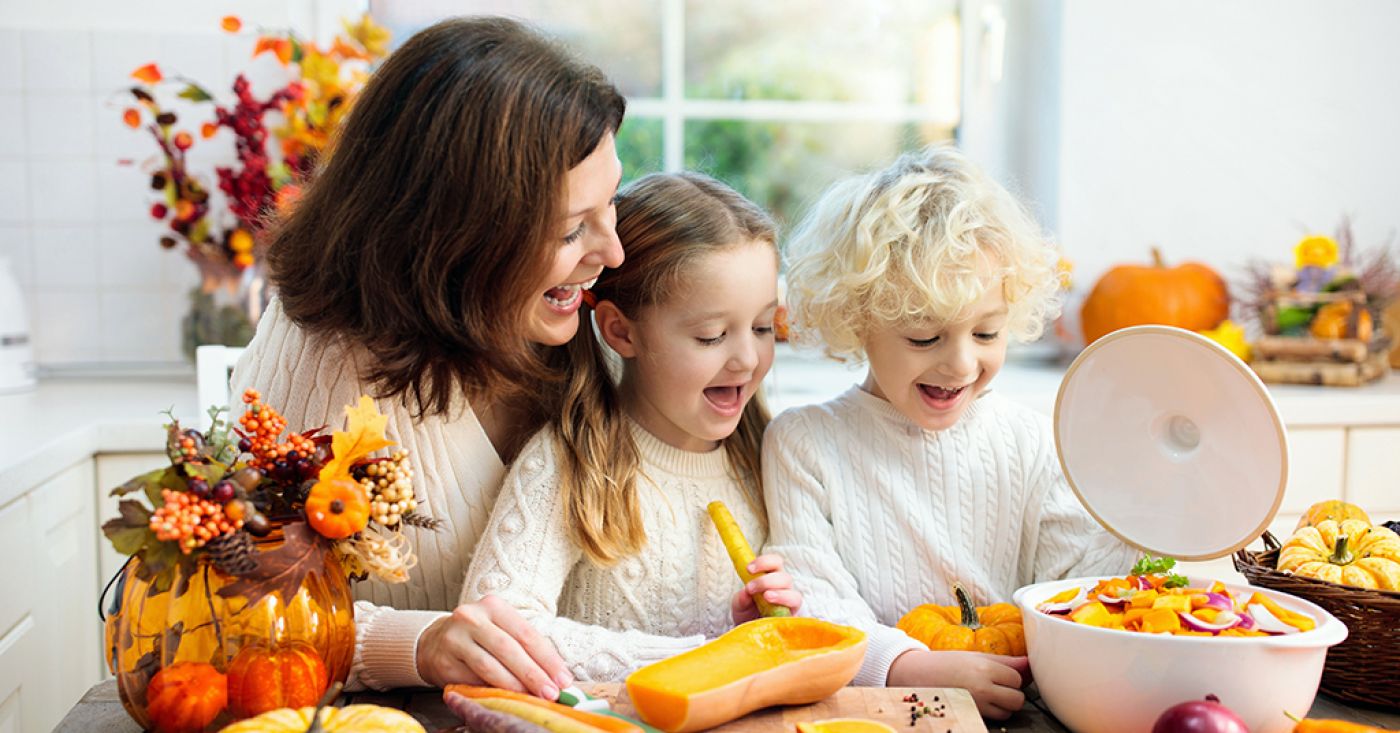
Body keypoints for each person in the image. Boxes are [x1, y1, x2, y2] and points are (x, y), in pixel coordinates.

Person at [230, 16, 626, 696]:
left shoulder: (591, 323)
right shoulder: (321, 347)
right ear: (457, 233)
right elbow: (243, 613)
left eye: (611, 202)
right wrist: (417, 643)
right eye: (569, 229)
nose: (611, 253)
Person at [764, 145, 1139, 718]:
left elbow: (1073, 591)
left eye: (987, 334)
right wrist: (904, 666)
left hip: (1020, 712)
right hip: (873, 715)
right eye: (923, 338)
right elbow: (813, 598)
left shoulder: (1032, 442)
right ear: (858, 320)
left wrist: (1140, 521)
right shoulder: (806, 443)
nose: (962, 365)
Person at [460, 172, 800, 681]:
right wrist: (707, 659)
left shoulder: (768, 458)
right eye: (711, 336)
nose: (747, 359)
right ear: (620, 331)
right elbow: (499, 630)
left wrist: (769, 626)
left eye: (762, 327)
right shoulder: (569, 460)